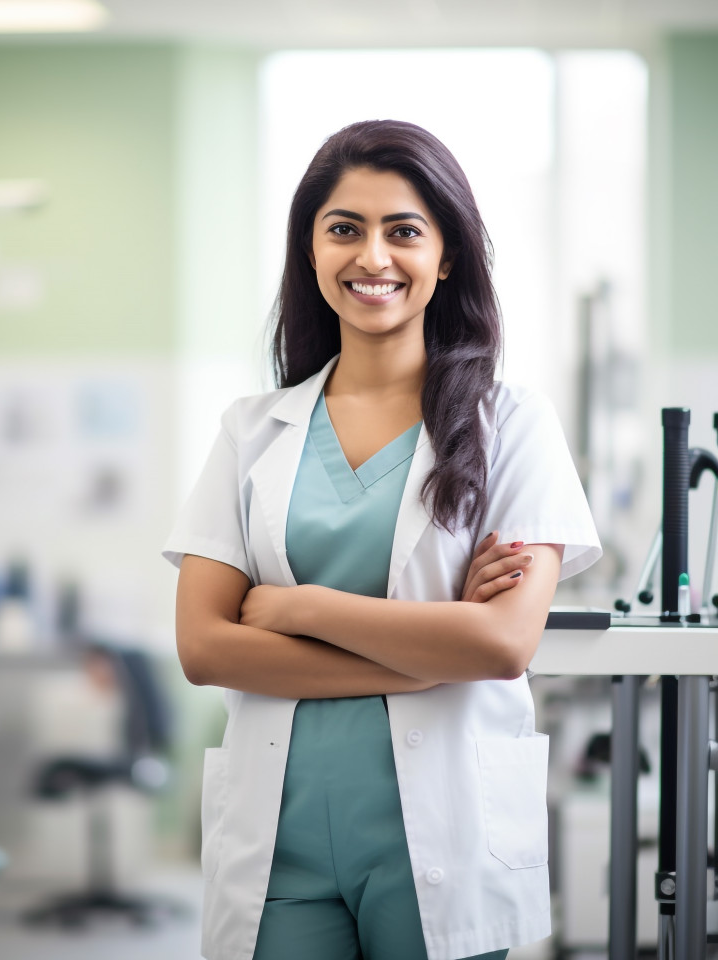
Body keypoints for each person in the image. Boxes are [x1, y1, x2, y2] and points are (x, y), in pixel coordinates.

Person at [163, 120, 601, 960]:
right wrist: (435, 651)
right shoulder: (253, 432)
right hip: (280, 839)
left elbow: (505, 643)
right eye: (344, 229)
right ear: (312, 252)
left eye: (403, 230)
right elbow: (205, 646)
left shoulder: (511, 426)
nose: (373, 257)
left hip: (444, 830)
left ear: (447, 258)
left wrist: (299, 607)